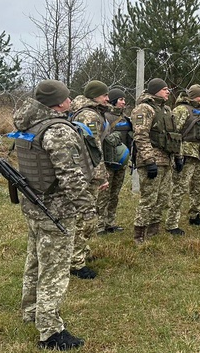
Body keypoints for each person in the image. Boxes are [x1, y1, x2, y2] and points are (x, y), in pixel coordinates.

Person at [12, 79, 92, 350]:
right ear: (58, 102)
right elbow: (70, 175)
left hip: (35, 206)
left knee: (35, 261)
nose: (71, 101)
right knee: (55, 270)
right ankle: (50, 331)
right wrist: (87, 208)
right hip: (56, 209)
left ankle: (31, 310)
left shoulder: (30, 123)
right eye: (67, 97)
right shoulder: (58, 130)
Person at [68, 80, 110, 279]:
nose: (107, 98)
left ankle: (81, 253)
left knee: (84, 215)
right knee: (84, 216)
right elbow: (93, 148)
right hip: (88, 171)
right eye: (104, 95)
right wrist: (100, 175)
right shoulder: (89, 115)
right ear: (94, 95)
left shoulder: (85, 111)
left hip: (85, 169)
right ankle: (76, 262)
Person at [131, 78, 181, 243]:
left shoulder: (166, 109)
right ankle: (139, 234)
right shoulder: (144, 109)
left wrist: (178, 156)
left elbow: (174, 136)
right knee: (149, 197)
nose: (168, 91)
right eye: (164, 89)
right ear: (155, 90)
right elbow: (141, 135)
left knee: (163, 197)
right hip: (152, 159)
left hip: (166, 159)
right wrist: (149, 160)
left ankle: (154, 230)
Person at [167, 84, 200, 234]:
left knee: (199, 187)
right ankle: (172, 222)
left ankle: (195, 215)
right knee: (180, 188)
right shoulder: (181, 110)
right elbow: (174, 135)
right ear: (192, 96)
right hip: (186, 154)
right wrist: (177, 156)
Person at [97, 87, 130, 234]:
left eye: (124, 99)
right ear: (114, 100)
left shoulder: (125, 118)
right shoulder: (105, 117)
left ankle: (110, 222)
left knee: (114, 194)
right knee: (103, 195)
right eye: (121, 99)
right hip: (107, 162)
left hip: (121, 161)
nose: (124, 102)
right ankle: (99, 225)